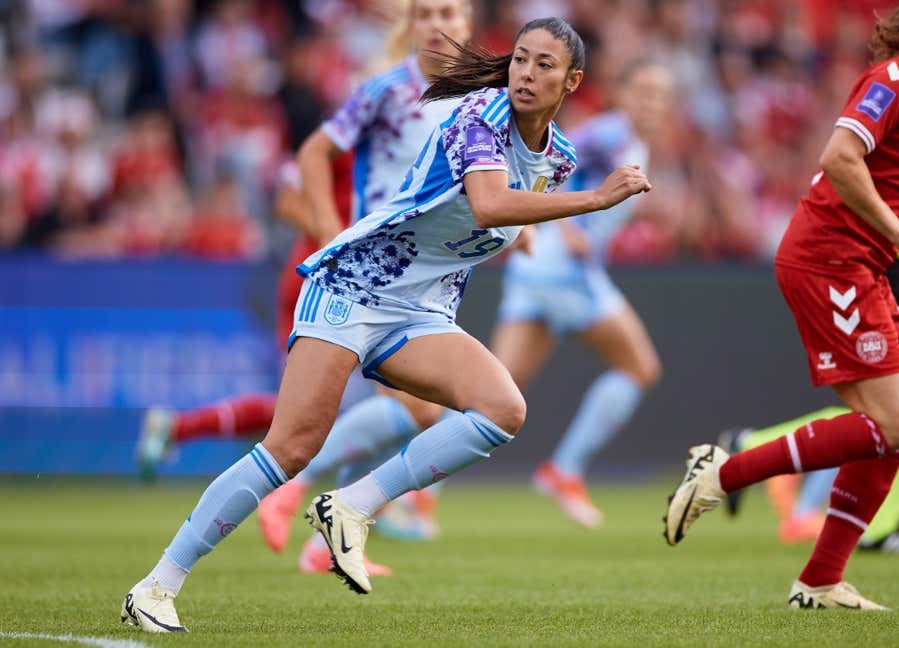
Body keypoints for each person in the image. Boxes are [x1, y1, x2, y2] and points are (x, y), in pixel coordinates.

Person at [121, 17, 651, 633]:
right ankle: (158, 584)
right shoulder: (480, 115)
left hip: (419, 311)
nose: (527, 75)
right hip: (354, 285)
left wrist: (526, 232)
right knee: (291, 446)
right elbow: (487, 203)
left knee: (503, 408)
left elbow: (498, 214)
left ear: (572, 81)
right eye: (521, 60)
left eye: (544, 65)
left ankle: (351, 506)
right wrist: (592, 201)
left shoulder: (555, 159)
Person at [661, 0, 899, 611]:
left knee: (898, 432)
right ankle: (722, 470)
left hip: (861, 265)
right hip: (827, 256)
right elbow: (838, 158)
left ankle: (820, 578)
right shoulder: (898, 80)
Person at [130, 0, 471, 485]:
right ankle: (194, 435)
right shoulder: (358, 133)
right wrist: (335, 231)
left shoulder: (417, 142)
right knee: (313, 411)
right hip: (322, 275)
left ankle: (365, 498)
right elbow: (287, 198)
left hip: (370, 279)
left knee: (362, 405)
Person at [252, 0, 476, 571]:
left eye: (449, 12)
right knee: (422, 411)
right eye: (426, 14)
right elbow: (302, 165)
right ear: (413, 26)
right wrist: (332, 234)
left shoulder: (478, 102)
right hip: (375, 276)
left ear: (468, 23)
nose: (438, 24)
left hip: (428, 280)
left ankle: (327, 536)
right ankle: (298, 490)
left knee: (423, 411)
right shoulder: (385, 94)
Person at [489, 63, 673, 528]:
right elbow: (547, 166)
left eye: (660, 96)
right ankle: (564, 470)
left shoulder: (633, 142)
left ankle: (415, 493)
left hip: (535, 268)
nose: (651, 103)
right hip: (564, 269)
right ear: (623, 94)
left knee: (493, 392)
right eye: (644, 91)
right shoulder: (608, 133)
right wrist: (566, 225)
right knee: (639, 366)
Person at [722, 199, 899, 554]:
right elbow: (850, 176)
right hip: (878, 259)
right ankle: (749, 450)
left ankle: (879, 527)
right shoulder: (874, 147)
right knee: (883, 414)